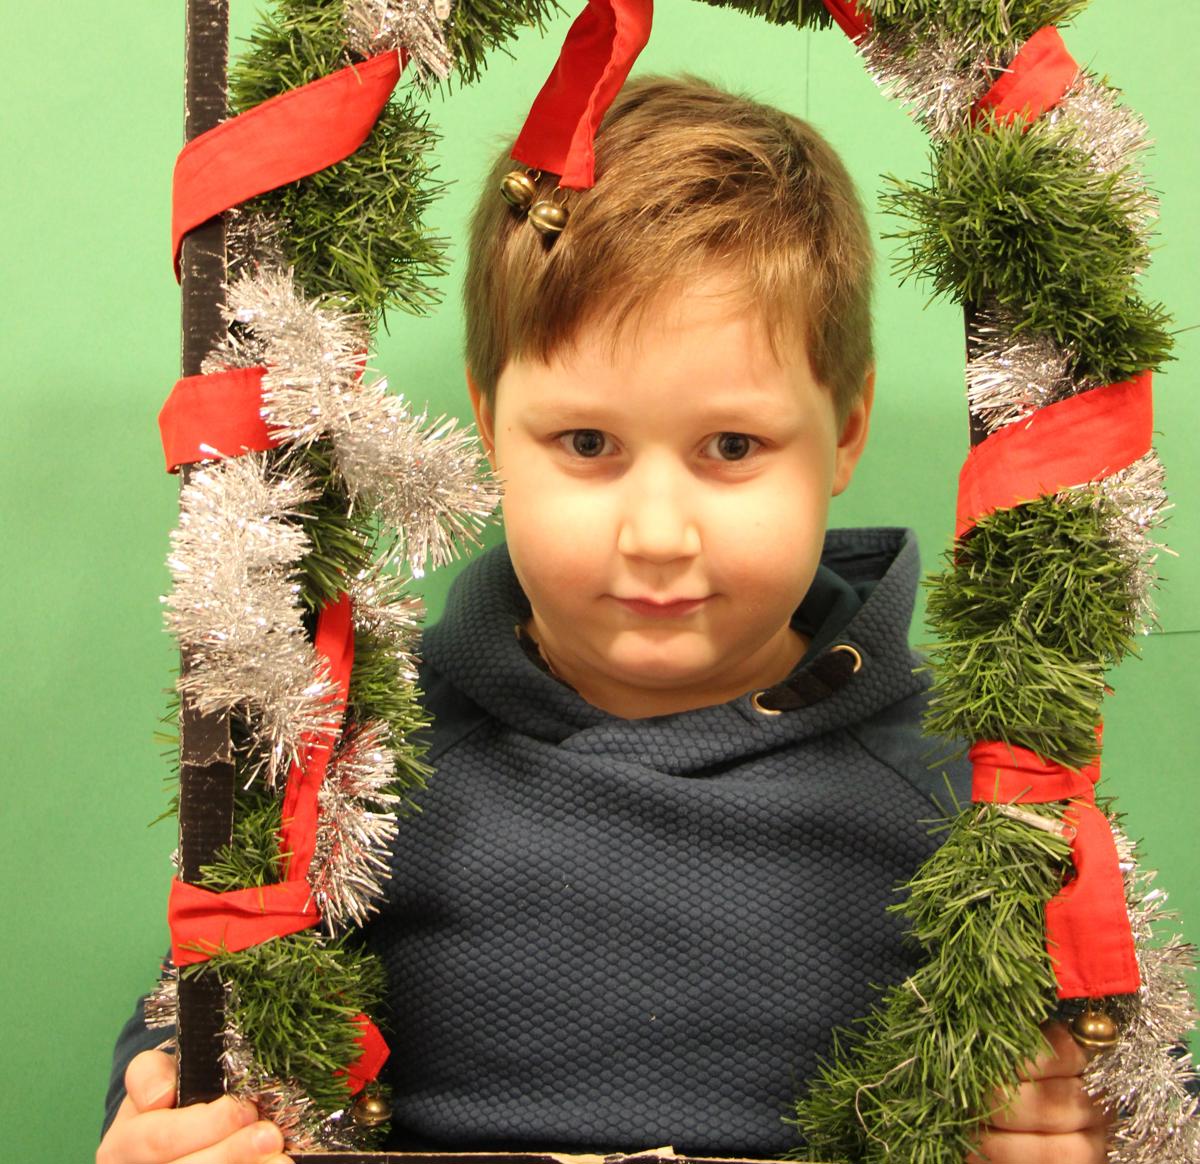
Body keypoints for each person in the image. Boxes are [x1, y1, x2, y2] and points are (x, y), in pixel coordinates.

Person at [99, 76, 1112, 1164]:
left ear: (846, 432)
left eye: (732, 447)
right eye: (587, 444)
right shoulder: (349, 771)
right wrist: (165, 1134)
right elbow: (199, 1039)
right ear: (490, 424)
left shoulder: (986, 801)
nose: (658, 534)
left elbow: (1136, 1075)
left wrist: (1082, 1135)